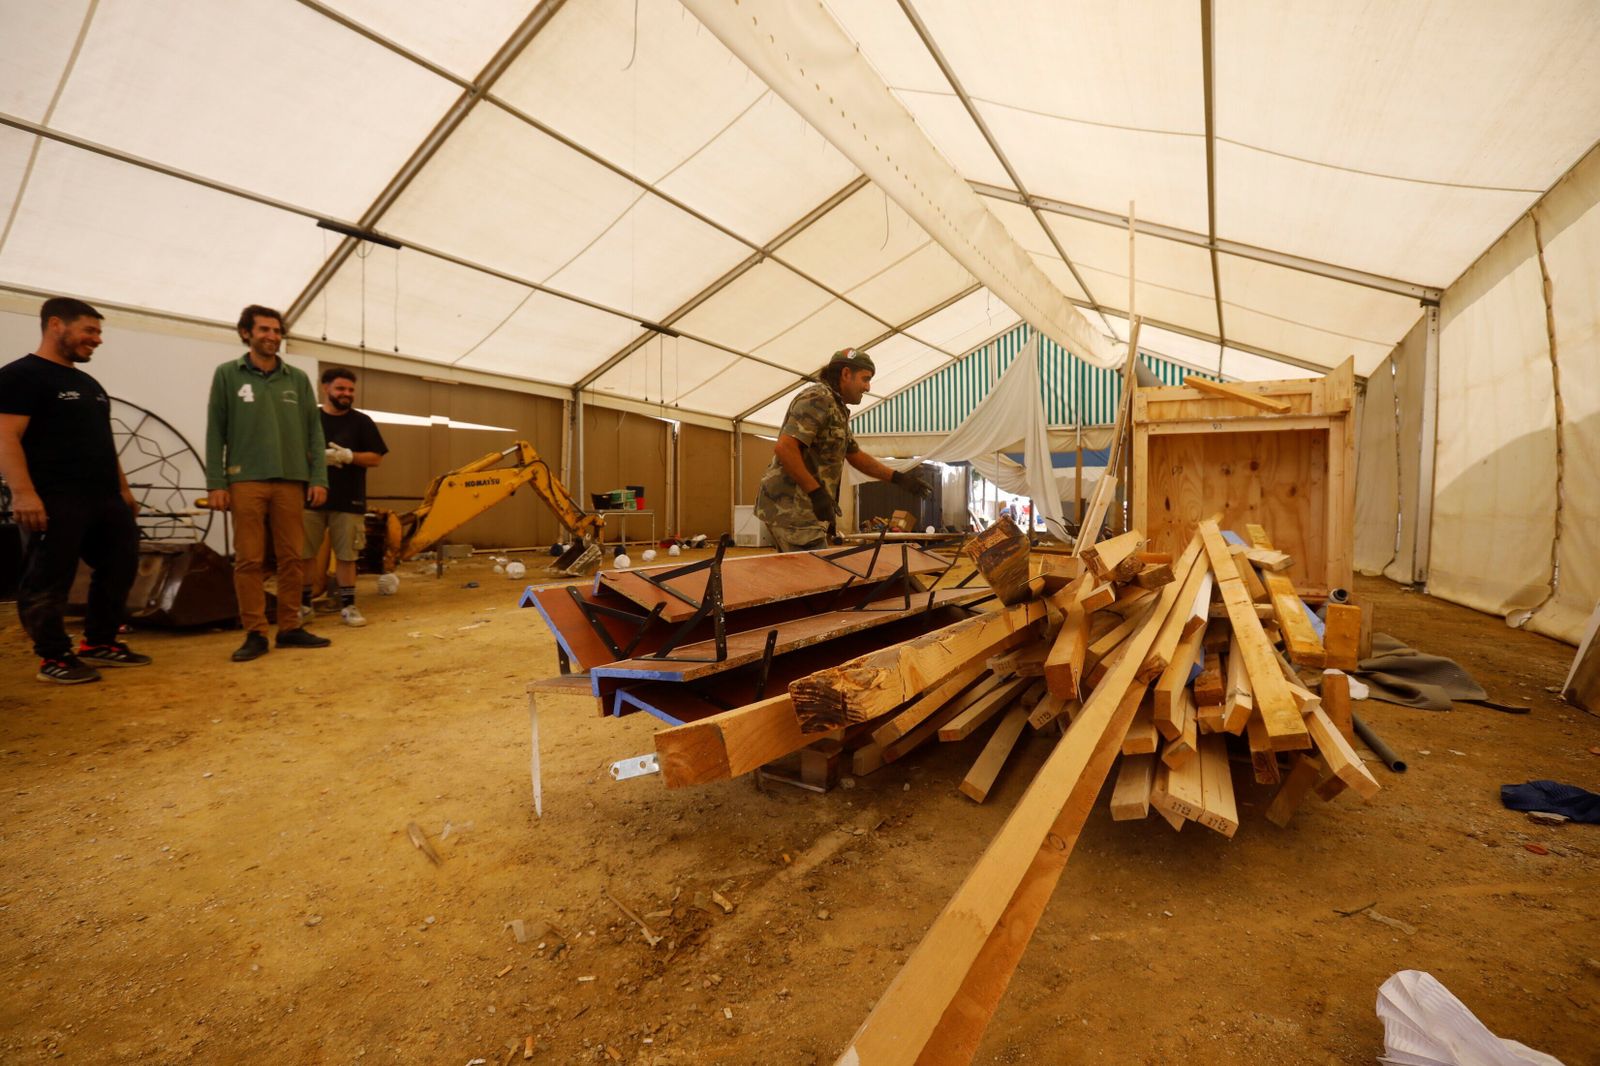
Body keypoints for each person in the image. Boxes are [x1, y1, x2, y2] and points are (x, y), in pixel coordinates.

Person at [0, 297, 151, 684]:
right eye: (90, 330)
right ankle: (52, 657)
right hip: (54, 498)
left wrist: (124, 490)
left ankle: (99, 642)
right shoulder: (20, 376)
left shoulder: (88, 383)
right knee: (49, 576)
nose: (97, 340)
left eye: (99, 332)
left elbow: (104, 441)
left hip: (104, 497)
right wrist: (23, 493)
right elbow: (5, 436)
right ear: (56, 325)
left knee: (120, 566)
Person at [205, 305, 330, 661]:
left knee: (293, 558)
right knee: (249, 560)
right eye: (264, 330)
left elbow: (314, 433)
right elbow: (216, 431)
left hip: (292, 480)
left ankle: (290, 627)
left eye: (277, 331)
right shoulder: (228, 375)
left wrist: (318, 477)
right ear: (246, 333)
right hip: (245, 480)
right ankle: (255, 633)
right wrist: (217, 482)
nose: (272, 336)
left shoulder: (297, 379)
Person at [755, 348, 932, 552]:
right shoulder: (818, 398)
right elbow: (785, 448)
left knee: (797, 577)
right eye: (865, 379)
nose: (868, 387)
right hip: (792, 509)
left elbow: (855, 455)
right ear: (846, 374)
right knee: (817, 577)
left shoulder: (836, 407)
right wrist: (816, 493)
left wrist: (898, 478)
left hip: (801, 510)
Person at [301, 368, 386, 627]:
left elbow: (376, 457)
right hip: (310, 500)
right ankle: (303, 606)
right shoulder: (310, 420)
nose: (346, 394)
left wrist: (349, 456)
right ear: (325, 388)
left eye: (350, 390)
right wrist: (315, 458)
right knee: (304, 554)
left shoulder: (362, 422)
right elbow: (294, 452)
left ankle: (349, 606)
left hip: (349, 501)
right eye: (340, 389)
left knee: (348, 555)